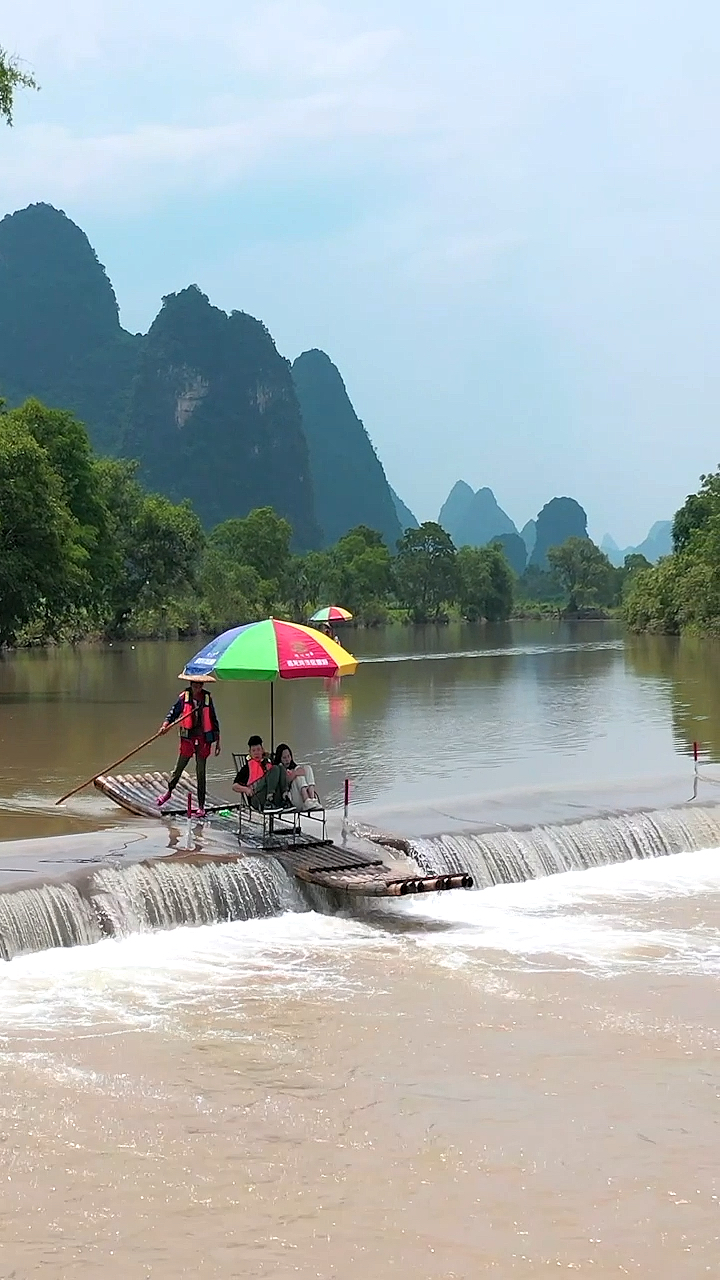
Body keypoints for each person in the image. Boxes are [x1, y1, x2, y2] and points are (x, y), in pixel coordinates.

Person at [156, 677, 221, 817]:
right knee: (178, 768)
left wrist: (218, 742)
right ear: (191, 685)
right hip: (188, 739)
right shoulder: (183, 698)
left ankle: (201, 806)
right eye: (195, 685)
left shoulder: (207, 699)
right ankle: (169, 792)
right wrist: (165, 726)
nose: (197, 687)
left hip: (203, 740)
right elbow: (173, 713)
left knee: (201, 773)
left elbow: (214, 720)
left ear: (202, 685)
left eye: (200, 685)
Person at [232, 735, 287, 812]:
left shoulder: (269, 762)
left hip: (276, 796)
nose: (256, 753)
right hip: (257, 799)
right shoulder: (247, 768)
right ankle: (269, 801)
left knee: (280, 767)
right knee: (275, 768)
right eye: (253, 751)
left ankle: (285, 798)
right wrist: (246, 789)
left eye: (258, 750)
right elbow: (234, 786)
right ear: (250, 753)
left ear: (262, 750)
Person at [273, 743, 321, 810]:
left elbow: (302, 771)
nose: (287, 759)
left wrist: (295, 772)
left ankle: (312, 799)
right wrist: (294, 774)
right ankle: (306, 800)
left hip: (300, 796)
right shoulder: (279, 769)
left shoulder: (293, 767)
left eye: (288, 756)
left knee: (307, 768)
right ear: (279, 758)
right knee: (298, 777)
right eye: (284, 758)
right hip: (291, 798)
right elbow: (284, 782)